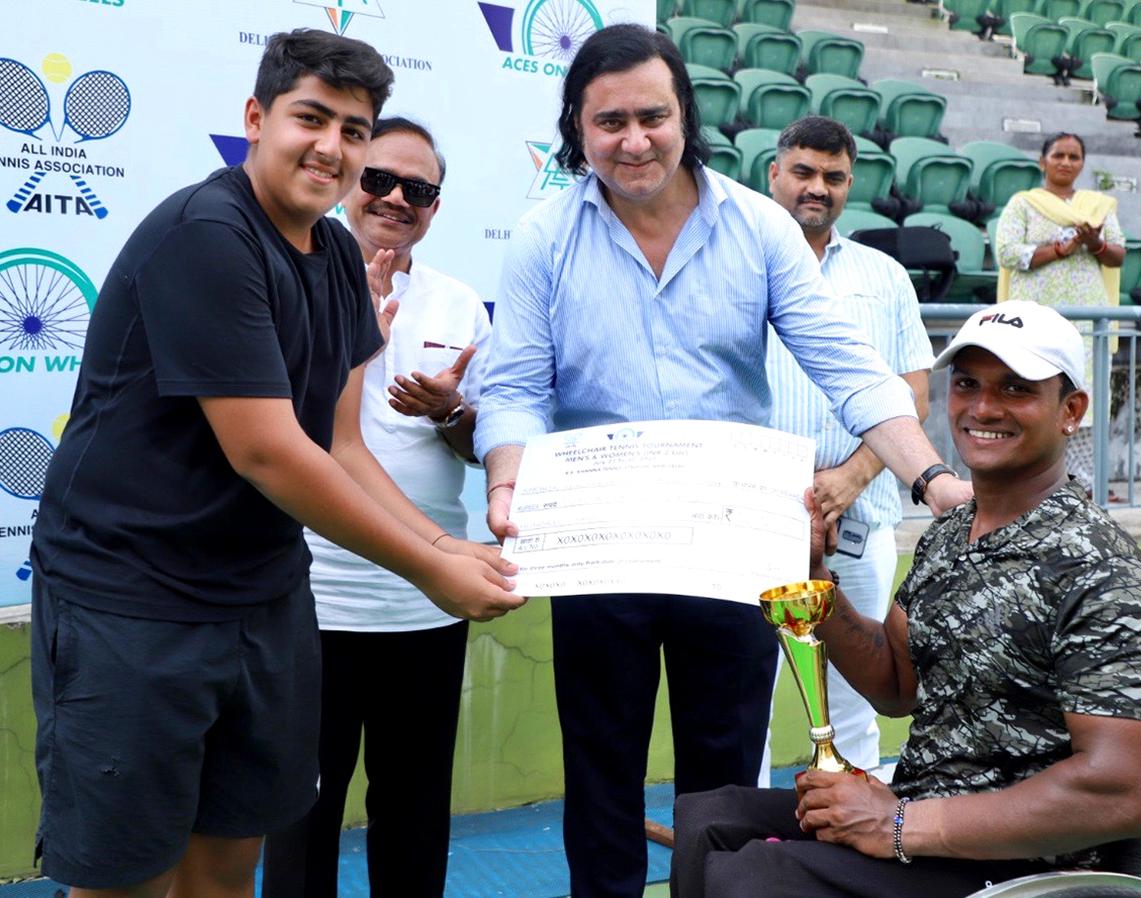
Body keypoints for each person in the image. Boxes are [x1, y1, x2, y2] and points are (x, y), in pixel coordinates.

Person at [475, 23, 971, 898]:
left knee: (724, 780)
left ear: (686, 116)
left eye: (653, 117)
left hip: (730, 546)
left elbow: (849, 369)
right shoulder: (544, 237)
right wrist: (507, 477)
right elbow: (514, 384)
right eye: (610, 122)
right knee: (599, 768)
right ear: (576, 130)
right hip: (600, 547)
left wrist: (932, 478)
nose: (634, 141)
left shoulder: (758, 227)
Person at [29, 32, 522, 898]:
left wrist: (445, 553)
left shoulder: (335, 259)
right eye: (311, 118)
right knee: (128, 878)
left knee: (228, 864)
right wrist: (431, 569)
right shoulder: (206, 235)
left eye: (355, 129)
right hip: (132, 604)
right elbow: (266, 449)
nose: (332, 147)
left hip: (261, 599)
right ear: (256, 120)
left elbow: (339, 442)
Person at [671, 301, 1141, 898]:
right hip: (927, 818)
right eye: (968, 384)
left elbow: (1125, 795)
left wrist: (897, 824)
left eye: (1015, 389)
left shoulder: (1105, 575)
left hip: (1035, 865)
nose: (983, 408)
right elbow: (896, 682)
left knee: (758, 877)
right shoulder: (950, 534)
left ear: (1071, 411)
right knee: (707, 820)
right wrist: (815, 580)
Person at [261, 117, 488, 898]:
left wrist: (452, 413)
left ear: (435, 205)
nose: (396, 199)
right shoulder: (282, 278)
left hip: (427, 603)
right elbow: (269, 436)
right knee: (299, 815)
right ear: (348, 175)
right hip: (310, 598)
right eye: (380, 180)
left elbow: (477, 447)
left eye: (418, 190)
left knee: (417, 814)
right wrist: (341, 338)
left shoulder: (461, 305)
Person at [764, 115, 932, 773]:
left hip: (859, 518)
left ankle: (854, 841)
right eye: (803, 172)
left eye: (834, 177)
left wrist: (853, 477)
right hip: (756, 514)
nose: (818, 187)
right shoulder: (737, 268)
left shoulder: (883, 277)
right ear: (773, 174)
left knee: (861, 691)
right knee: (746, 691)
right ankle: (731, 856)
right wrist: (797, 490)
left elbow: (912, 397)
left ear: (850, 184)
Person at [994, 132, 1126, 493]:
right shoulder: (1023, 204)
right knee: (1036, 395)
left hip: (1086, 320)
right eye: (1058, 155)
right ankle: (1033, 482)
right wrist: (1059, 250)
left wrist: (1094, 243)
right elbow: (1006, 252)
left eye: (1074, 156)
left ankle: (1086, 483)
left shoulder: (1098, 207)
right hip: (1037, 323)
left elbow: (1118, 254)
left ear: (1082, 164)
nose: (1066, 162)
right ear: (1043, 161)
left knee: (1083, 396)